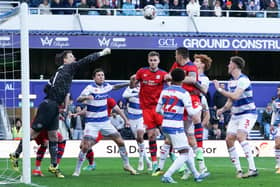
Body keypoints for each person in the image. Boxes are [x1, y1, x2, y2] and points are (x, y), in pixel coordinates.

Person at [9, 48, 111, 178]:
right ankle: (15, 155)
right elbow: (86, 60)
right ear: (65, 60)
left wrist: (59, 96)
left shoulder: (58, 71)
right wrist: (102, 53)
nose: (74, 58)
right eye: (71, 56)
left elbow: (47, 88)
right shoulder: (69, 68)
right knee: (34, 133)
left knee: (53, 136)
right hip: (49, 105)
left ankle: (53, 166)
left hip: (53, 105)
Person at [72, 68, 137, 177]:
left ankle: (126, 165)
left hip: (105, 122)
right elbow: (78, 99)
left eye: (102, 75)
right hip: (91, 123)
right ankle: (77, 170)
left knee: (120, 141)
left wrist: (129, 83)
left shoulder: (106, 86)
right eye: (99, 75)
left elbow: (115, 87)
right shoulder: (90, 88)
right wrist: (86, 97)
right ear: (94, 78)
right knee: (85, 146)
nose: (101, 77)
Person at [156, 68, 208, 183]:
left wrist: (168, 115)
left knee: (187, 150)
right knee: (184, 153)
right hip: (176, 127)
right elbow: (191, 113)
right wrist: (201, 107)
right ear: (183, 79)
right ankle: (167, 175)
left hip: (165, 125)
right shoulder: (184, 93)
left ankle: (196, 175)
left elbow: (158, 110)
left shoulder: (165, 91)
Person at [213, 56, 258, 178]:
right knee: (229, 139)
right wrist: (222, 110)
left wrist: (219, 90)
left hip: (248, 113)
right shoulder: (231, 81)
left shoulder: (244, 80)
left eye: (229, 63)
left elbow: (236, 96)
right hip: (236, 115)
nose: (227, 66)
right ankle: (238, 170)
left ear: (234, 65)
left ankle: (253, 169)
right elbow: (230, 101)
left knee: (240, 136)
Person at [135, 51, 169, 173]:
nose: (153, 62)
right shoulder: (141, 72)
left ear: (158, 61)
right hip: (147, 109)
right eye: (151, 60)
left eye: (155, 60)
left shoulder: (163, 74)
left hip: (159, 108)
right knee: (151, 136)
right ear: (148, 60)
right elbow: (133, 85)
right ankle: (155, 163)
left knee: (168, 134)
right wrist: (132, 80)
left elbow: (170, 85)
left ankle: (174, 157)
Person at [122, 75, 152, 171]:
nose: (135, 81)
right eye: (133, 79)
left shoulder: (144, 88)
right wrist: (135, 94)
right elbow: (124, 96)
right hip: (131, 118)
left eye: (136, 79)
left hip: (141, 116)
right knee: (138, 141)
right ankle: (147, 160)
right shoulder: (129, 89)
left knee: (140, 136)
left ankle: (140, 161)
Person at [270, 85, 280, 174]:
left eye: (279, 90)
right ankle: (279, 166)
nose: (278, 92)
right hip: (278, 126)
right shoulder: (275, 102)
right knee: (277, 144)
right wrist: (272, 124)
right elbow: (274, 113)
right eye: (277, 91)